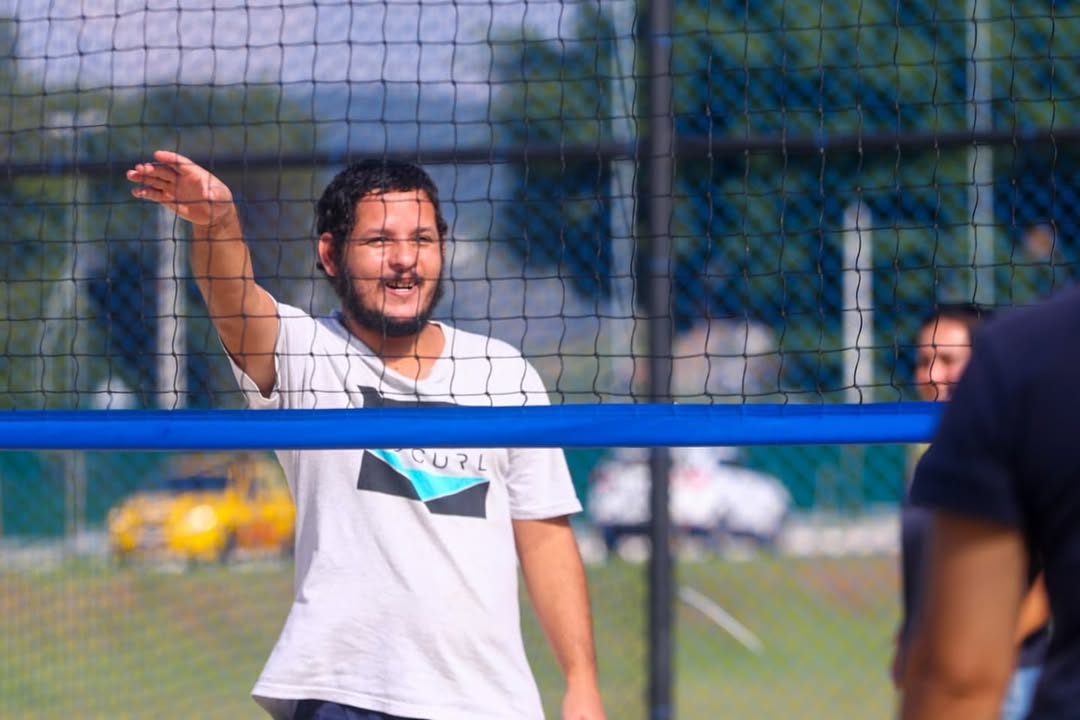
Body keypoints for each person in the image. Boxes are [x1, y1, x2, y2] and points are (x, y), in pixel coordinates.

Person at [127, 150, 606, 720]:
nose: (404, 259)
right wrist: (218, 223)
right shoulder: (305, 354)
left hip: (489, 702)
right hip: (347, 694)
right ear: (331, 255)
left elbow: (546, 539)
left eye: (422, 239)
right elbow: (234, 302)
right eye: (380, 241)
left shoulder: (504, 373)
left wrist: (581, 683)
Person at [899, 286, 1080, 719]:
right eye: (924, 361)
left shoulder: (1024, 372)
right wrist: (913, 641)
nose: (933, 375)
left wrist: (970, 642)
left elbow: (1046, 579)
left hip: (1010, 668)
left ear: (978, 363)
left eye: (948, 360)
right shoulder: (931, 456)